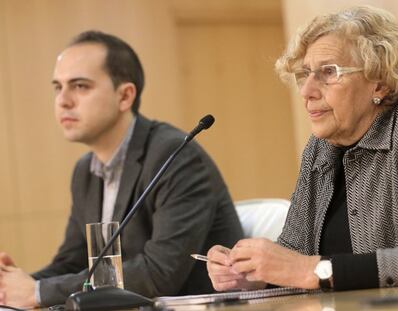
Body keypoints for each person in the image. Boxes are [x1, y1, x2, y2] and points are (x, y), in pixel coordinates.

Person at [0, 30, 243, 308]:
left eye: (80, 86)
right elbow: (72, 262)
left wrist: (38, 291)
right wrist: (13, 285)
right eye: (58, 87)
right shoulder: (85, 172)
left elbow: (160, 273)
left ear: (125, 96)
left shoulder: (175, 155)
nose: (63, 100)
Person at [207, 5, 398, 293]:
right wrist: (256, 273)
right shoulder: (320, 148)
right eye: (305, 74)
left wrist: (314, 270)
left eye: (329, 72)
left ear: (378, 82)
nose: (307, 91)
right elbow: (295, 251)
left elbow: (306, 269)